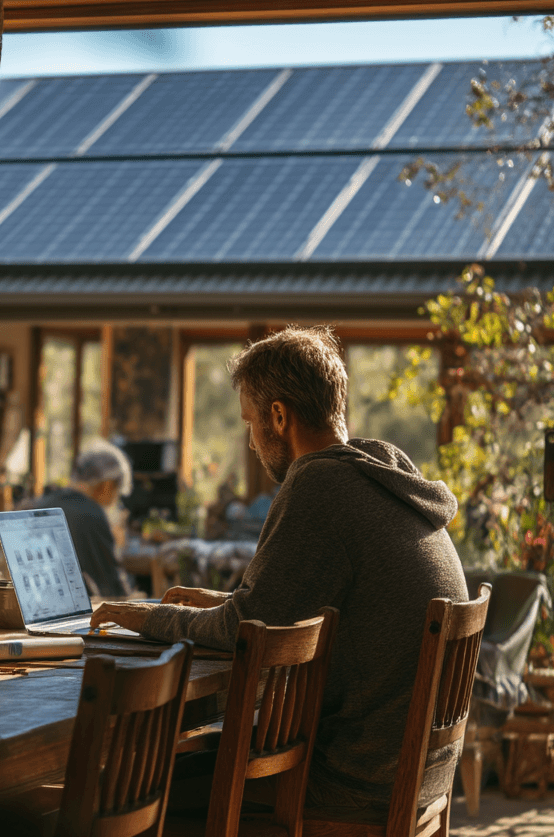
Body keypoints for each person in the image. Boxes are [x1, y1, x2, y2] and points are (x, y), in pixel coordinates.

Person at [91, 326, 469, 812]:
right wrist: (226, 603)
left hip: (356, 778)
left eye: (249, 423)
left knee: (120, 793)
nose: (251, 442)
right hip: (416, 772)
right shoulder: (383, 479)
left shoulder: (320, 484)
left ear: (278, 415)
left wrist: (138, 616)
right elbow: (273, 609)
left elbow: (243, 629)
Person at [41, 441, 132, 599]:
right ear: (107, 485)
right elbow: (113, 587)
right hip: (81, 607)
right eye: (117, 490)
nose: (116, 499)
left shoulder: (46, 503)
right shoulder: (93, 515)